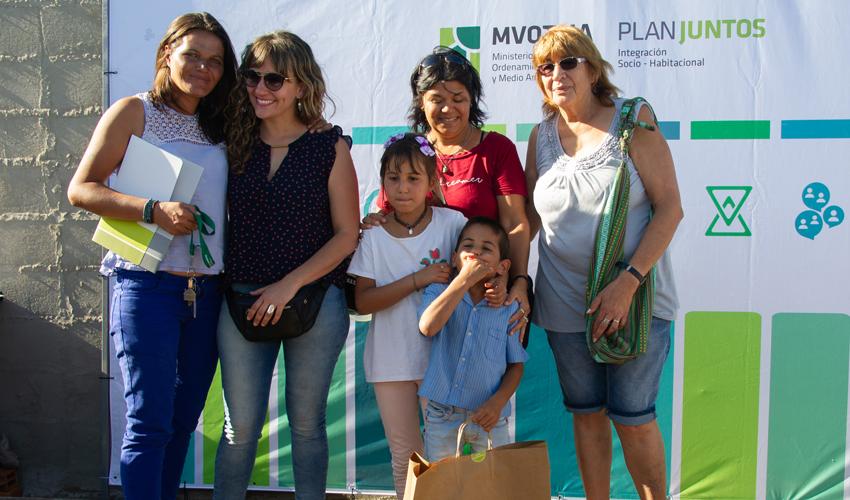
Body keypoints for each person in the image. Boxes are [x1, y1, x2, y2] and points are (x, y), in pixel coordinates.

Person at [66, 12, 237, 500]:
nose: (203, 68)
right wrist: (150, 209)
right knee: (149, 424)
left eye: (215, 61)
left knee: (182, 422)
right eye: (192, 55)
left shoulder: (221, 124)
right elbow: (82, 190)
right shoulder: (133, 112)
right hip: (146, 284)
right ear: (167, 54)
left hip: (206, 292)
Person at [525, 26, 682, 500]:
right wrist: (500, 267)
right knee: (586, 414)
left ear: (593, 69)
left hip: (630, 302)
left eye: (568, 62)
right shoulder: (539, 135)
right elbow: (528, 220)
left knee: (633, 419)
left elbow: (670, 207)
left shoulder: (633, 120)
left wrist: (628, 283)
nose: (557, 74)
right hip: (563, 304)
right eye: (545, 67)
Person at [213, 31, 359, 500]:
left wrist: (286, 286)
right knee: (239, 432)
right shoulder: (232, 141)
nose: (261, 87)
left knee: (308, 428)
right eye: (253, 76)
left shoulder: (328, 146)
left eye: (275, 79)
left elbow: (347, 234)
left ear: (301, 85)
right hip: (240, 301)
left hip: (314, 303)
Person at [368, 47, 532, 332]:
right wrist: (374, 222)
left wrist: (516, 280)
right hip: (419, 304)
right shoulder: (409, 154)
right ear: (421, 102)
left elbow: (515, 224)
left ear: (472, 101)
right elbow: (388, 218)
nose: (448, 109)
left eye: (459, 99)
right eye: (437, 100)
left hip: (489, 296)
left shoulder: (496, 149)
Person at [347, 133, 467, 497]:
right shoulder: (372, 236)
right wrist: (418, 279)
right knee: (405, 456)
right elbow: (362, 302)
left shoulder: (454, 224)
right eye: (393, 178)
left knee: (444, 456)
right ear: (382, 182)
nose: (403, 188)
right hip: (390, 361)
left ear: (432, 182)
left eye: (414, 178)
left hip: (441, 361)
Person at [418, 217, 528, 461]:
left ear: (502, 266)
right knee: (442, 487)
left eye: (486, 248)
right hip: (441, 417)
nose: (476, 252)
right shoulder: (438, 292)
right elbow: (428, 327)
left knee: (490, 488)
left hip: (490, 419)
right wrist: (463, 280)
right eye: (468, 246)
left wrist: (497, 403)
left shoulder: (508, 307)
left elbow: (516, 366)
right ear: (456, 258)